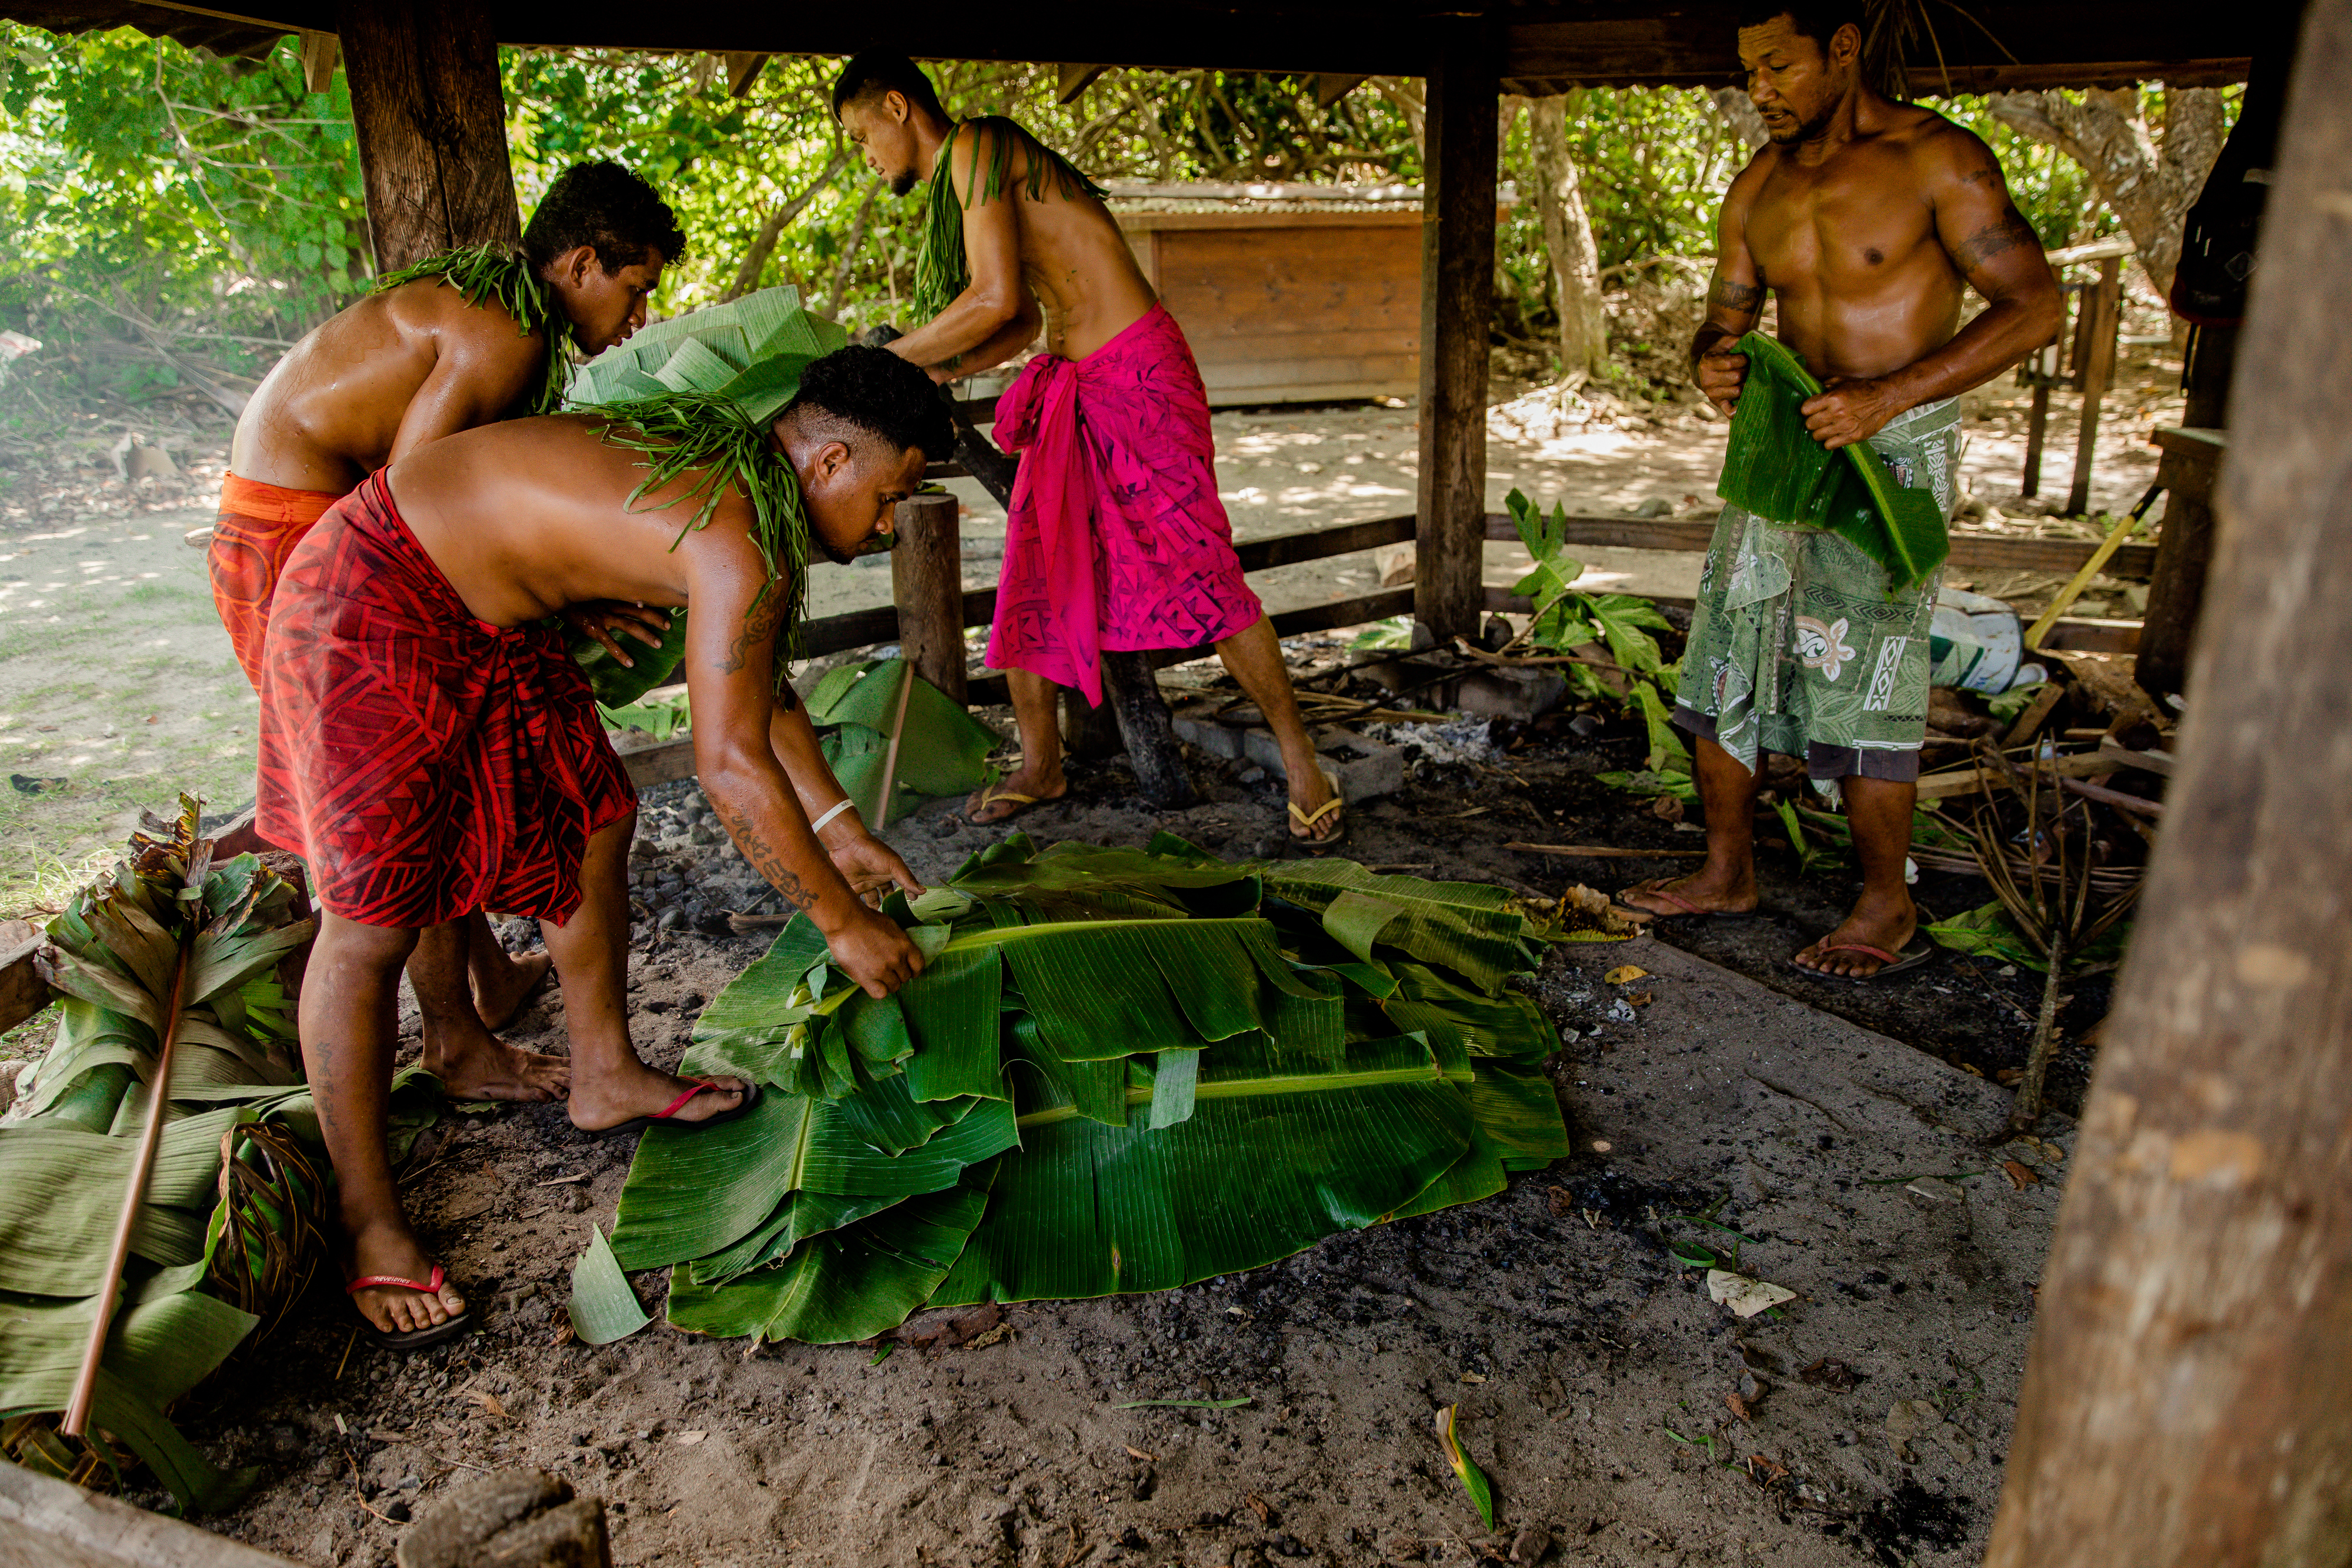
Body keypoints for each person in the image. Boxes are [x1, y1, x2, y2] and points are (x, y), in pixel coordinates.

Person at [260, 346, 949, 1344]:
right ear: (832, 461)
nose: (889, 528)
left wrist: (840, 830)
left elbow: (758, 692)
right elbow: (729, 765)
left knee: (592, 813)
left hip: (489, 613)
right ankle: (368, 1223)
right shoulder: (735, 537)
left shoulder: (740, 473)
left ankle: (604, 1074)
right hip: (369, 601)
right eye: (893, 498)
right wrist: (840, 925)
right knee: (370, 925)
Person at [216, 161, 685, 1103]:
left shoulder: (498, 307)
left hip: (305, 530)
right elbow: (413, 518)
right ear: (585, 262)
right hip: (306, 550)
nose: (638, 322)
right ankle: (455, 1042)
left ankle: (482, 992)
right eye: (634, 293)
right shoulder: (504, 332)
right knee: (409, 793)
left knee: (445, 777)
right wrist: (563, 598)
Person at [1616, 2, 2060, 977]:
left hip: (1891, 455)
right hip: (1783, 455)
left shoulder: (1939, 161)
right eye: (1749, 70)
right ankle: (1726, 872)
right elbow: (1721, 322)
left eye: (1778, 65)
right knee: (1727, 657)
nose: (1759, 89)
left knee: (1867, 679)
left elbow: (2036, 309)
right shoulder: (1758, 185)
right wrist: (1713, 365)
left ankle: (1885, 905)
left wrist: (1888, 396)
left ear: (1844, 50)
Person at [830, 53, 1346, 842]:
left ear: (897, 107)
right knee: (1038, 564)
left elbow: (994, 299)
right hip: (1078, 380)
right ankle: (1043, 764)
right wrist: (933, 366)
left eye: (860, 136)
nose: (864, 158)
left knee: (1200, 567)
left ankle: (1302, 760)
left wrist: (887, 360)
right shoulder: (966, 179)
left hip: (1137, 374)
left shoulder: (975, 147)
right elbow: (1023, 321)